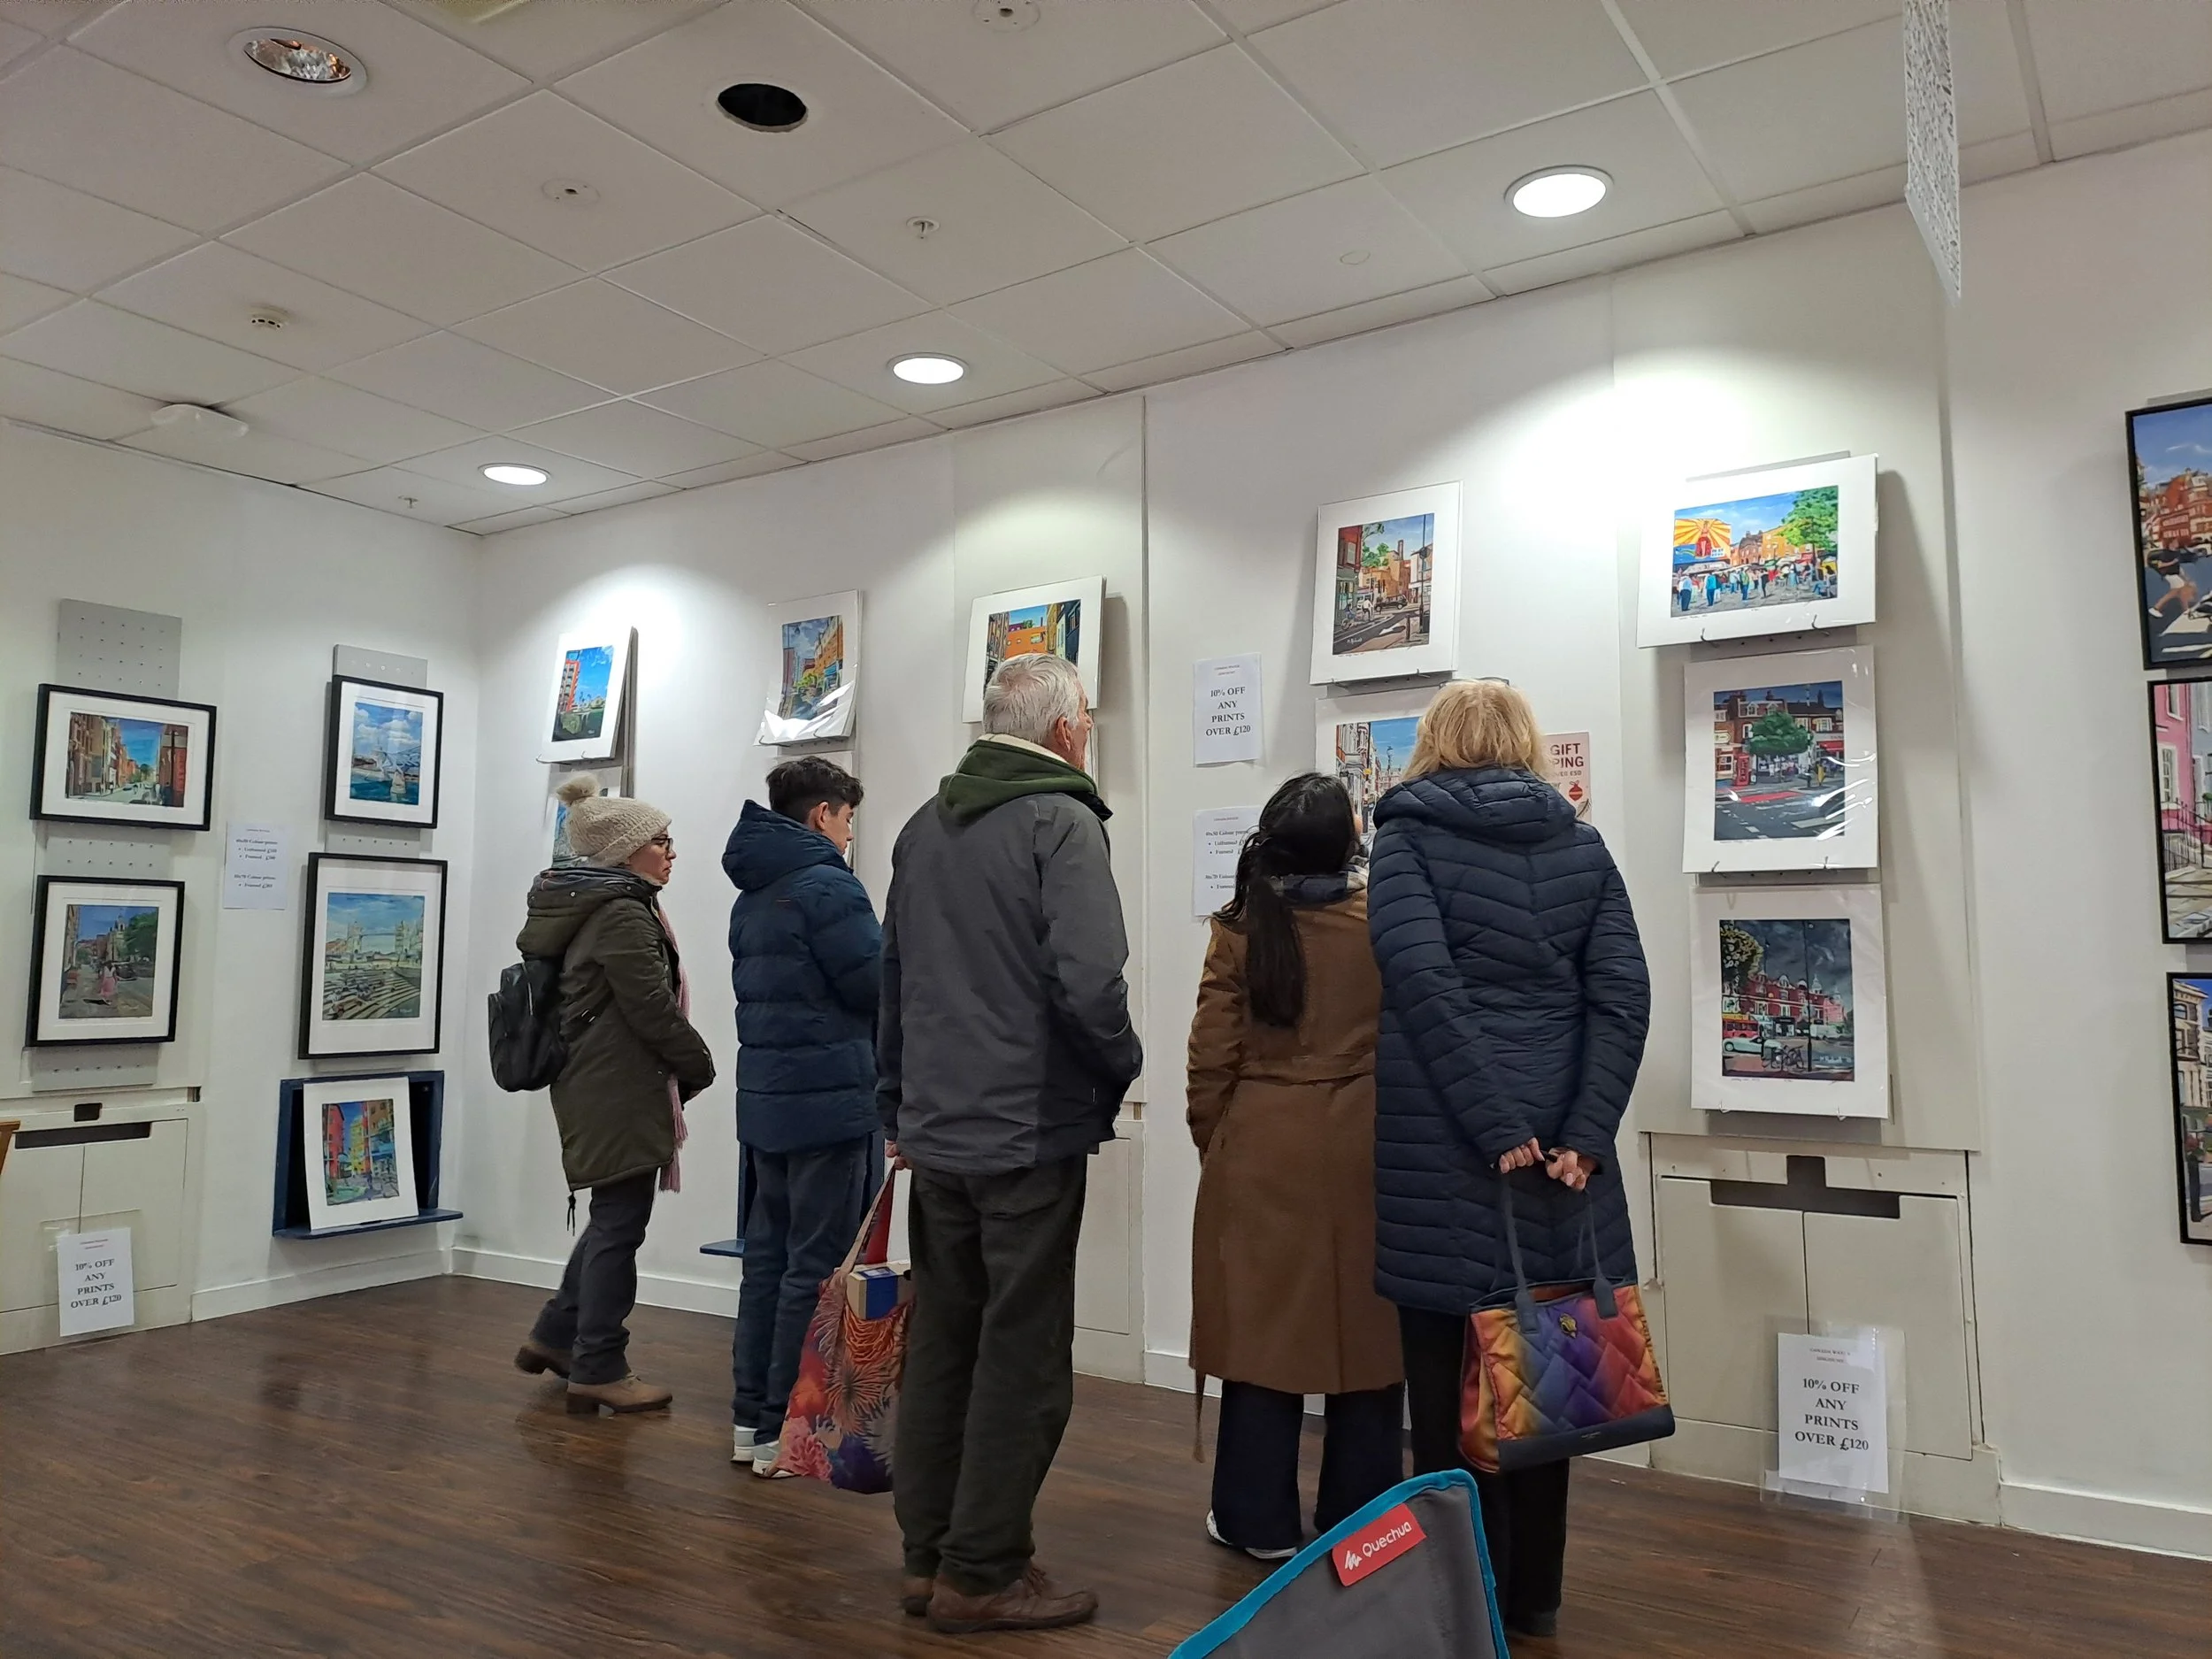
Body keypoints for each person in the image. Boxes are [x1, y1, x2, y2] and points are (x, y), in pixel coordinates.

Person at [1367, 680, 1650, 1641]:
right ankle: (1534, 1600)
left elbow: (1422, 984)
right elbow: (1621, 995)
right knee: (1547, 1385)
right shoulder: (1581, 842)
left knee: (1443, 1394)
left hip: (1448, 1155)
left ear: (1435, 743)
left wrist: (1495, 1124)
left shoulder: (1405, 834)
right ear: (1525, 744)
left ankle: (1458, 1601)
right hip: (1560, 1168)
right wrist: (1585, 1130)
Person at [877, 652, 1142, 1636]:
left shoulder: (918, 827)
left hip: (937, 1132)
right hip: (1027, 1132)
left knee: (945, 1340)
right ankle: (983, 1569)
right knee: (1022, 1357)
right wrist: (1118, 1069)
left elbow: (892, 979)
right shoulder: (1059, 821)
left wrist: (896, 1105)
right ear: (1067, 729)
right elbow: (1091, 985)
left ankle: (926, 1555)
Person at [1187, 773, 1404, 1561]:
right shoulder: (1380, 918)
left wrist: (1222, 1140)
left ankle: (1256, 1520)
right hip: (1366, 1143)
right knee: (1372, 1341)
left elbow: (1211, 1057)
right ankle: (1362, 1520)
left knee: (1260, 1338)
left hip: (1261, 1144)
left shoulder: (1241, 926)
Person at [514, 774, 716, 1415]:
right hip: (618, 1088)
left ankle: (555, 1334)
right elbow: (650, 1009)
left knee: (611, 1218)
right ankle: (599, 1363)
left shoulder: (602, 905)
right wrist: (699, 1064)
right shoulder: (621, 913)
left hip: (603, 1084)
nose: (671, 850)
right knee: (620, 1227)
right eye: (661, 840)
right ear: (626, 851)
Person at [722, 756, 882, 1477]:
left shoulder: (752, 893)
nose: (850, 834)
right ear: (824, 815)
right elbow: (874, 984)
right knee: (811, 1269)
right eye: (847, 819)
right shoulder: (827, 886)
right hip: (829, 1103)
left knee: (765, 1264)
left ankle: (749, 1424)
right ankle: (790, 1433)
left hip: (767, 1105)